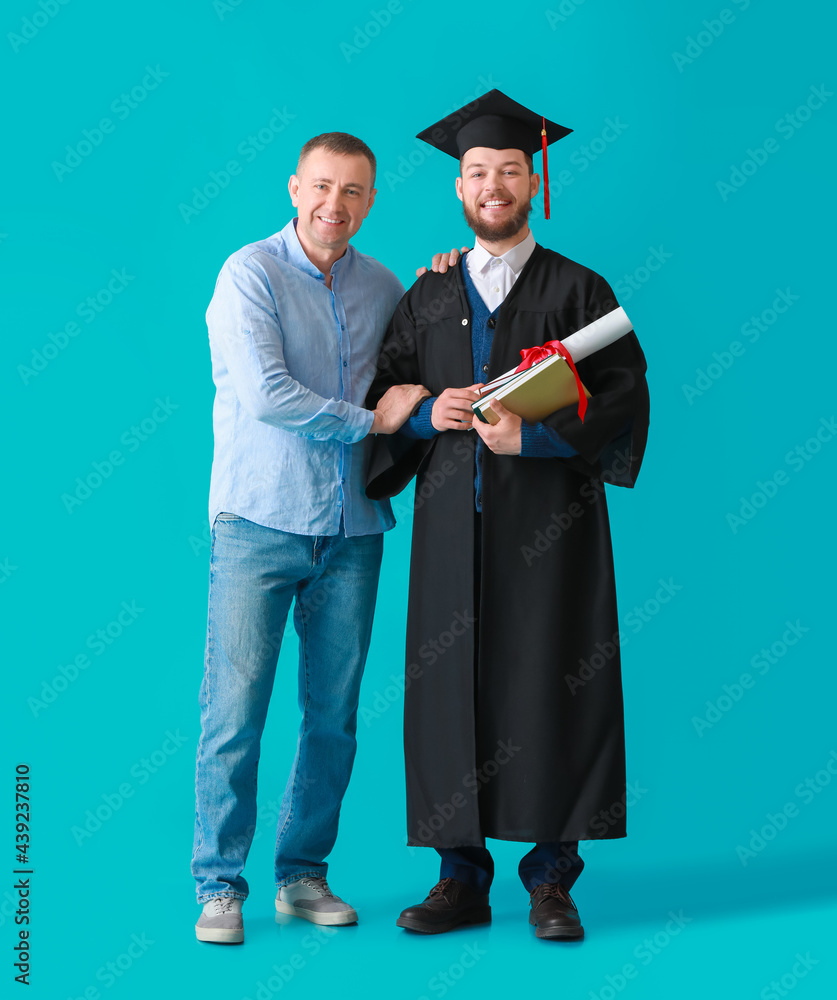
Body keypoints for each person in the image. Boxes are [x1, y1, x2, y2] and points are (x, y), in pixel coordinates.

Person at [366, 90, 650, 941]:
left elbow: (625, 399)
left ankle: (551, 878)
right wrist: (424, 416)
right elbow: (381, 392)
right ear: (458, 189)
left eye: (509, 171)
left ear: (534, 183)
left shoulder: (578, 287)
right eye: (477, 172)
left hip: (550, 529)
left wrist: (542, 440)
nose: (493, 185)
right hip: (451, 524)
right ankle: (460, 876)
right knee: (451, 691)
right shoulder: (427, 294)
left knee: (554, 684)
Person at [191, 131, 434, 944]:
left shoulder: (385, 285)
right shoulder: (247, 274)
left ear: (371, 200)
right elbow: (266, 395)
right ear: (295, 187)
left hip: (353, 528)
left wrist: (445, 286)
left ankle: (301, 874)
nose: (336, 205)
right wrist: (372, 420)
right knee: (235, 712)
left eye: (354, 192)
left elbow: (417, 361)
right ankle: (219, 885)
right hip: (259, 524)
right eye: (322, 187)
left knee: (332, 715)